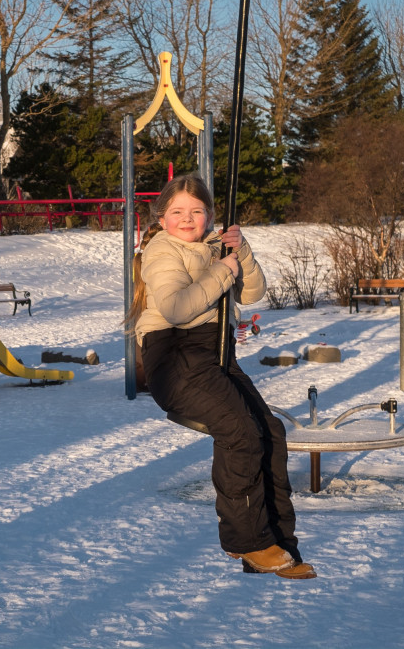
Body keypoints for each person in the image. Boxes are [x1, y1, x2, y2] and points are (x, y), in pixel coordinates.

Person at [130, 174, 316, 579]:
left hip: (216, 353)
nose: (187, 218)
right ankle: (247, 543)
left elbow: (252, 293)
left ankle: (278, 540)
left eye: (197, 211)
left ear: (210, 215)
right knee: (240, 434)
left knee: (270, 432)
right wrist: (222, 270)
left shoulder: (215, 246)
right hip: (176, 354)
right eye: (177, 211)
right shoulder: (162, 251)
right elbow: (178, 309)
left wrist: (239, 251)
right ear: (161, 217)